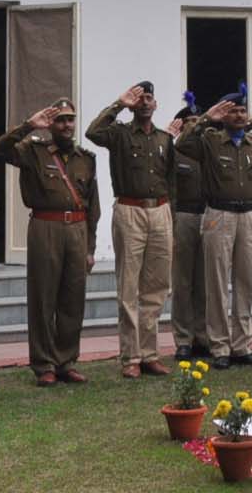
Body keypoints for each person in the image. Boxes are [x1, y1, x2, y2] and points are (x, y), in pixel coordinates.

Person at [0, 98, 100, 386]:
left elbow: (93, 206)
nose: (67, 125)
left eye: (70, 119)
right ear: (51, 124)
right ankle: (44, 364)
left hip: (77, 229)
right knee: (44, 297)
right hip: (46, 226)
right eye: (61, 120)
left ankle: (66, 361)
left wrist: (91, 247)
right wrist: (29, 125)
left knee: (73, 298)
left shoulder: (85, 158)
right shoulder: (33, 152)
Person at [88, 80, 176, 379]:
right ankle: (130, 357)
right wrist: (119, 104)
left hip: (160, 210)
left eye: (148, 98)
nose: (144, 103)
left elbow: (172, 179)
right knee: (129, 286)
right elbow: (92, 132)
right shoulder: (119, 134)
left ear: (155, 104)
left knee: (157, 287)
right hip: (130, 210)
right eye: (139, 98)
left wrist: (170, 216)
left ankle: (150, 354)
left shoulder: (165, 139)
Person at [181, 86, 252, 368]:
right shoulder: (209, 140)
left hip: (249, 214)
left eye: (242, 110)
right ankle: (219, 346)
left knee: (245, 280)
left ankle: (241, 344)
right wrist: (206, 118)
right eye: (232, 110)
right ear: (223, 115)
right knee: (217, 281)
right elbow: (183, 144)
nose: (238, 115)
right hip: (218, 214)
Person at [167, 96, 208, 358]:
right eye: (189, 122)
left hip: (209, 217)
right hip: (182, 216)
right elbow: (168, 189)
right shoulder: (174, 151)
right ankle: (183, 338)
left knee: (205, 281)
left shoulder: (210, 150)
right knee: (182, 281)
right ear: (181, 127)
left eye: (198, 121)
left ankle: (203, 336)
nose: (194, 125)